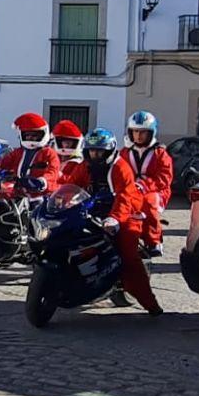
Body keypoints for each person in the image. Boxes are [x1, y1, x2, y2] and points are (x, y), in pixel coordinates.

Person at [56, 128, 162, 315]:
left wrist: (115, 218)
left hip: (126, 213)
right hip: (93, 209)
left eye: (100, 151)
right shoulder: (84, 166)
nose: (95, 155)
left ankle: (149, 302)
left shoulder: (121, 167)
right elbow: (71, 186)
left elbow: (125, 197)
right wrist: (59, 202)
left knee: (128, 256)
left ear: (110, 151)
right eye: (91, 151)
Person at [120, 110, 173, 259]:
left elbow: (164, 178)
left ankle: (154, 241)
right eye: (135, 131)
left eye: (143, 132)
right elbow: (118, 171)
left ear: (151, 133)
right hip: (131, 189)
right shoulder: (124, 152)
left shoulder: (160, 153)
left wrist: (144, 185)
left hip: (157, 191)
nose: (138, 136)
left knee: (149, 203)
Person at [0, 112, 62, 194]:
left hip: (42, 193)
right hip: (19, 191)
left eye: (34, 135)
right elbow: (4, 163)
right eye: (27, 135)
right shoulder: (18, 152)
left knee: (38, 205)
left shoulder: (49, 153)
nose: (30, 137)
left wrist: (42, 181)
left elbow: (53, 171)